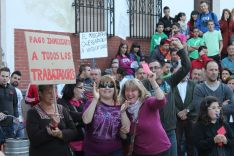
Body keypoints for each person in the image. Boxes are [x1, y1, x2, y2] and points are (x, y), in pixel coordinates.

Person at [142, 38, 191, 156]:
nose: (154, 70)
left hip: (169, 131)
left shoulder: (169, 81)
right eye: (151, 68)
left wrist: (180, 49)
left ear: (162, 69)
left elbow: (186, 67)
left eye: (156, 68)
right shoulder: (143, 85)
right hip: (152, 132)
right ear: (147, 70)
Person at [119, 74, 170, 155]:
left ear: (139, 92)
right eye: (127, 90)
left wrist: (153, 82)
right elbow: (126, 130)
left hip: (159, 149)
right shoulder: (125, 108)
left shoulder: (147, 102)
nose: (129, 94)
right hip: (139, 151)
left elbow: (161, 101)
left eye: (133, 91)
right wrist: (123, 112)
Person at [82, 75, 130, 156]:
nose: (107, 88)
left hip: (115, 151)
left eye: (110, 85)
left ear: (115, 89)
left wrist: (122, 112)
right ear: (98, 89)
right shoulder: (91, 103)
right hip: (92, 151)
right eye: (103, 85)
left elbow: (126, 128)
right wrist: (95, 99)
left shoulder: (121, 104)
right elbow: (86, 120)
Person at [26, 84, 77, 156]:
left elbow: (73, 131)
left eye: (54, 92)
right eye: (49, 93)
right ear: (40, 93)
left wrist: (60, 134)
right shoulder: (33, 112)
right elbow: (34, 139)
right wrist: (51, 127)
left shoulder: (62, 109)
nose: (53, 95)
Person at [57, 79, 86, 156]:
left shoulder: (84, 101)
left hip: (87, 142)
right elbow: (68, 117)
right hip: (72, 143)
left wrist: (77, 121)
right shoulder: (61, 102)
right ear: (73, 88)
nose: (83, 90)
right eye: (81, 87)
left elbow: (91, 118)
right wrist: (85, 118)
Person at [174, 76, 196, 156]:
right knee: (177, 143)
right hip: (176, 118)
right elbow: (169, 100)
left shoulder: (193, 84)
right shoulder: (172, 84)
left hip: (191, 117)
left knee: (192, 142)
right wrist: (178, 112)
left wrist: (187, 111)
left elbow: (195, 99)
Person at [0, 67, 18, 140]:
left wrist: (16, 117)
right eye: (3, 76)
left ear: (9, 78)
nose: (5, 78)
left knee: (9, 147)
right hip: (0, 124)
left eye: (7, 76)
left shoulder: (12, 89)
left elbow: (15, 104)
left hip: (10, 124)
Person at [10, 70, 24, 138]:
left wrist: (22, 119)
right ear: (10, 78)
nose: (16, 80)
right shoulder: (6, 89)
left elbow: (20, 107)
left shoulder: (19, 91)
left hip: (20, 122)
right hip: (10, 122)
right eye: (15, 78)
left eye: (18, 79)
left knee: (21, 144)